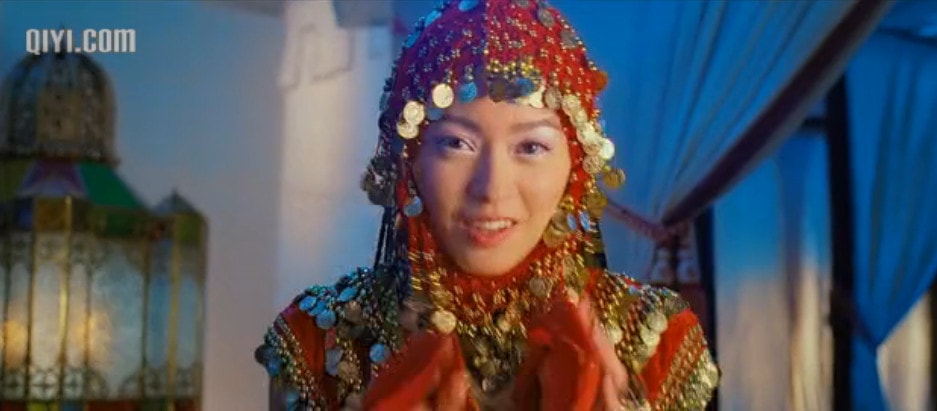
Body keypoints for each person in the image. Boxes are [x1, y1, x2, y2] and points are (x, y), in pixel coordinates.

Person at [255, 0, 719, 409]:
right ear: (409, 159)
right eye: (456, 143)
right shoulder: (319, 341)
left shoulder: (655, 340)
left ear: (576, 164)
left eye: (531, 147)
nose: (493, 189)